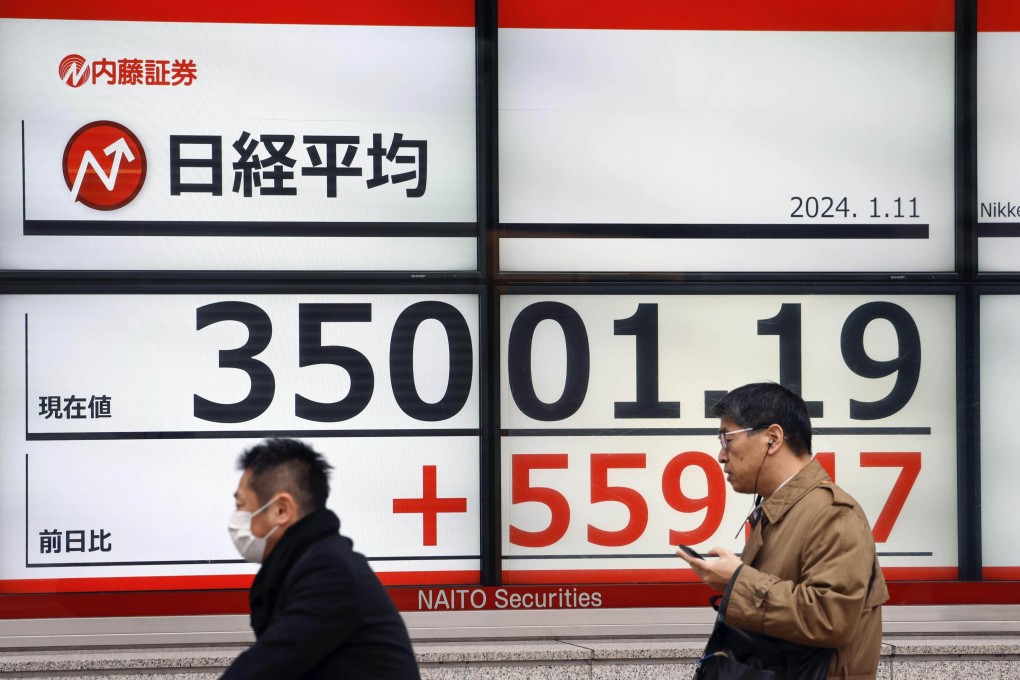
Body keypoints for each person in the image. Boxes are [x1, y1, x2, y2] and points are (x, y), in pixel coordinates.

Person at [676, 382, 889, 679]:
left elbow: (832, 618)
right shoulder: (779, 509)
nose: (721, 455)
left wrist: (738, 581)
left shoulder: (833, 514)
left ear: (772, 439)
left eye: (727, 439)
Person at [221, 438, 421, 680]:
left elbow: (268, 664)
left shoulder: (329, 572)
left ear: (281, 510)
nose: (237, 518)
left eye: (241, 505)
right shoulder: (308, 562)